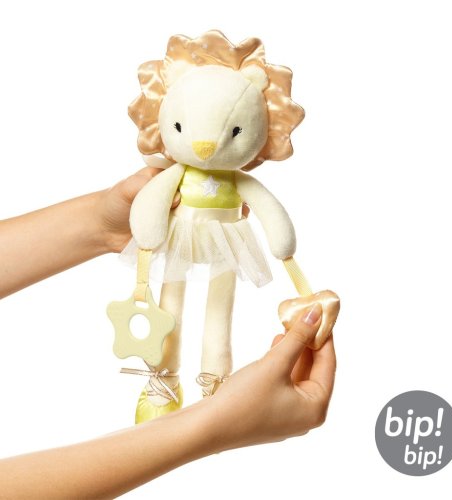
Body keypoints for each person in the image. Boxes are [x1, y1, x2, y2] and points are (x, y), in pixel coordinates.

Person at [0, 167, 336, 499]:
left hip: (222, 235)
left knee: (218, 308)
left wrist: (103, 225)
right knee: (172, 304)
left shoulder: (236, 179)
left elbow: (268, 211)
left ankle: (215, 380)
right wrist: (212, 426)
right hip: (185, 234)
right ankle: (164, 383)